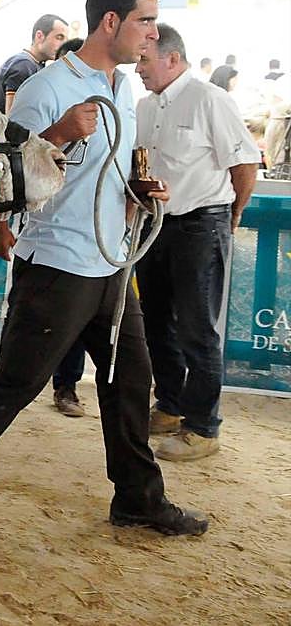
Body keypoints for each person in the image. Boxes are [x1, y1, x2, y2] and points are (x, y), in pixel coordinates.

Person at [0, 0, 208, 547]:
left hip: (111, 263)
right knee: (16, 382)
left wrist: (136, 191)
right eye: (146, 20)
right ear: (112, 23)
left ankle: (138, 499)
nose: (153, 33)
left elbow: (106, 171)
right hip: (56, 264)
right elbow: (7, 171)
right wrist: (58, 133)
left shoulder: (121, 87)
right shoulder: (49, 89)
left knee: (129, 382)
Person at [134, 24, 260, 462]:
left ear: (172, 58)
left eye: (144, 60)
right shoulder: (143, 107)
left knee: (197, 329)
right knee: (156, 324)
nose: (138, 68)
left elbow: (245, 164)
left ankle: (204, 428)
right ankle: (169, 406)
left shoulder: (211, 99)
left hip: (201, 225)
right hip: (156, 226)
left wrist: (231, 217)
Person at [0, 36, 89, 418]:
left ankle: (66, 387)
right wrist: (2, 224)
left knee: (85, 331)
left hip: (90, 246)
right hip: (40, 241)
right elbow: (10, 163)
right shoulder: (39, 95)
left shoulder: (107, 103)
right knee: (23, 335)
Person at [0, 14, 69, 114]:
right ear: (39, 36)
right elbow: (14, 120)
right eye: (59, 37)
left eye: (66, 40)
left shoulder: (34, 64)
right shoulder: (23, 66)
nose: (64, 45)